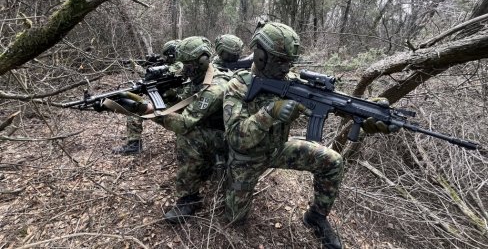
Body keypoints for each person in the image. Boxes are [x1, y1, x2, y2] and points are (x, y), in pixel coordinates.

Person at [222, 22, 396, 249]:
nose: (285, 68)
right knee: (235, 218)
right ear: (259, 54)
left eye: (289, 62)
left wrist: (365, 110)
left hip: (278, 150)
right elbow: (236, 138)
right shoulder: (238, 85)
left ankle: (316, 216)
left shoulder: (291, 81)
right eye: (280, 60)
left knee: (332, 161)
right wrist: (270, 113)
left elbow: (331, 103)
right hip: (246, 158)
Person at [111, 36, 233, 223]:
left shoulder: (215, 87)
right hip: (214, 130)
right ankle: (205, 165)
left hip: (230, 138)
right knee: (192, 131)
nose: (184, 69)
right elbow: (183, 104)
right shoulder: (198, 77)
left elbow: (184, 123)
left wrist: (142, 108)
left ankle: (189, 198)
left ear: (203, 60)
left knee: (189, 136)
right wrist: (165, 93)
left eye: (188, 64)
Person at [112, 40, 183, 155]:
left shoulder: (178, 67)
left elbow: (150, 77)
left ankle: (134, 145)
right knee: (136, 107)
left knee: (136, 110)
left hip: (179, 107)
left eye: (168, 55)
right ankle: (134, 145)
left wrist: (136, 67)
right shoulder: (181, 66)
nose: (166, 58)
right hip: (176, 104)